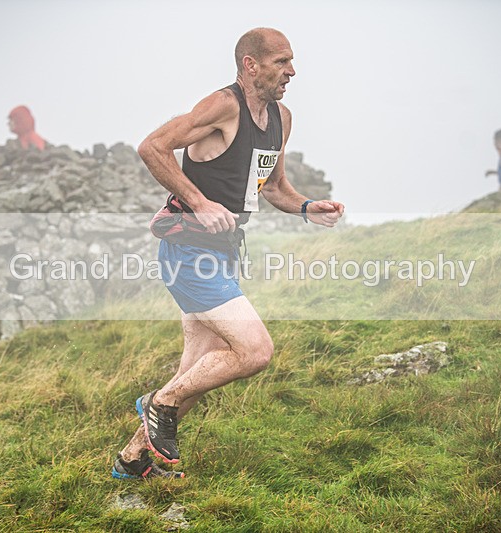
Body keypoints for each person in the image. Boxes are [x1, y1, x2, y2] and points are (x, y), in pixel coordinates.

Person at [111, 27, 345, 480]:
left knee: (197, 372)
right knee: (255, 351)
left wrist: (305, 206)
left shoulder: (282, 118)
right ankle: (157, 403)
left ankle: (132, 461)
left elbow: (273, 187)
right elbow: (152, 147)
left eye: (291, 61)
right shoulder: (223, 106)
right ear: (250, 65)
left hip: (222, 254)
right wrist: (199, 202)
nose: (291, 71)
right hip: (187, 251)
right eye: (281, 62)